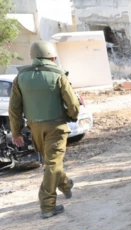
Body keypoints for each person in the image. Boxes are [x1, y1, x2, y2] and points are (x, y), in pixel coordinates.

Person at [9, 41, 80, 219]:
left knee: (51, 162)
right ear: (52, 57)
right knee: (53, 164)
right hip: (55, 126)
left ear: (33, 56)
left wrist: (16, 132)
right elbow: (72, 104)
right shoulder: (58, 74)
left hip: (34, 127)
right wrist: (72, 116)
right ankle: (47, 205)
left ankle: (65, 185)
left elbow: (14, 108)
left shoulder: (20, 77)